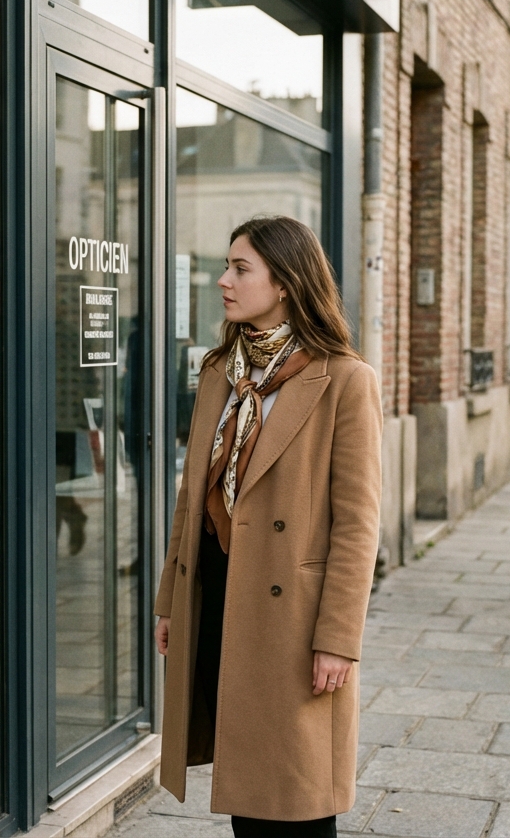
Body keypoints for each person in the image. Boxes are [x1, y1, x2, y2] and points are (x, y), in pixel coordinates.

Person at [152, 216, 381, 837]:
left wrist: (339, 638)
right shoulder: (220, 373)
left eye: (240, 268)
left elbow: (358, 526)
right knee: (248, 793)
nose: (223, 280)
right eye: (227, 266)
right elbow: (191, 497)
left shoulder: (344, 380)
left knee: (299, 799)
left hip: (293, 618)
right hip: (222, 599)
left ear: (284, 282)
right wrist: (172, 601)